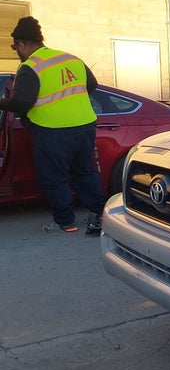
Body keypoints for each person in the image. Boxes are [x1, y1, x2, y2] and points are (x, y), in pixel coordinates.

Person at [0, 16, 104, 234]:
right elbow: (92, 85)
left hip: (52, 131)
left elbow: (21, 103)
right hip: (84, 126)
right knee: (85, 172)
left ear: (22, 44)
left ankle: (65, 222)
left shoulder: (31, 67)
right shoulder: (71, 58)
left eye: (16, 47)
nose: (17, 53)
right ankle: (99, 214)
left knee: (54, 178)